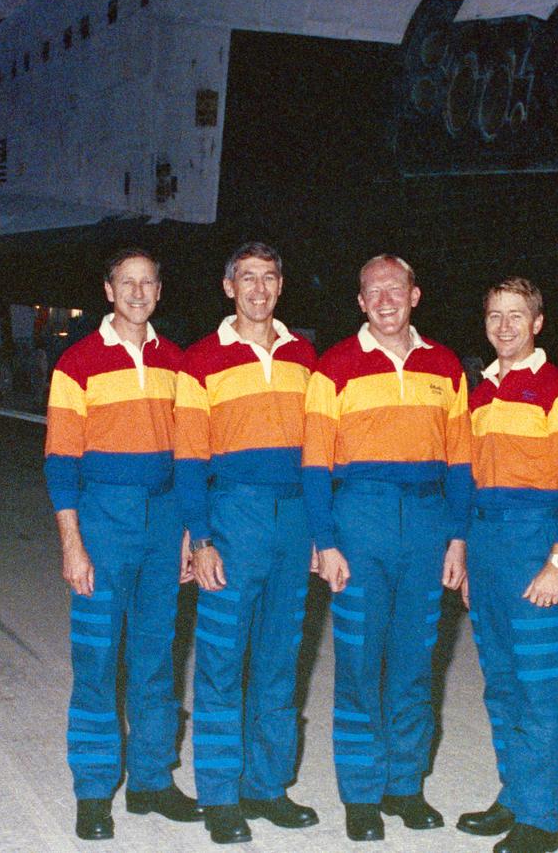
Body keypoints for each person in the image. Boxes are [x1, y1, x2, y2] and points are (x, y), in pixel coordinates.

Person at [303, 254, 472, 842]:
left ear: (415, 295)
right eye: (372, 291)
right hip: (360, 521)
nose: (385, 300)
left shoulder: (447, 366)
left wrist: (458, 537)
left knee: (415, 660)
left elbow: (462, 462)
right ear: (360, 302)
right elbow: (313, 466)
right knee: (358, 661)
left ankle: (406, 785)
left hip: (427, 524)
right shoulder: (333, 369)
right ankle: (360, 794)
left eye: (394, 289)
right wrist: (324, 541)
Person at [43, 248, 203, 841]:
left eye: (147, 283)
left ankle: (152, 782)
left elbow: (190, 456)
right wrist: (72, 544)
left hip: (164, 522)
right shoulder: (76, 363)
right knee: (96, 661)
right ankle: (92, 790)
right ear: (108, 290)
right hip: (103, 519)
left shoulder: (178, 363)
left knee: (157, 657)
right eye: (125, 283)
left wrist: (189, 530)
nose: (137, 293)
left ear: (159, 291)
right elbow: (60, 462)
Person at [174, 242, 321, 843]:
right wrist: (202, 537)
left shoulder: (305, 356)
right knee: (220, 660)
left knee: (280, 659)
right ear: (228, 286)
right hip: (233, 516)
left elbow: (319, 454)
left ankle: (267, 787)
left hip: (294, 522)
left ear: (280, 286)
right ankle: (219, 794)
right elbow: (187, 459)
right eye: (246, 279)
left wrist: (320, 530)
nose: (258, 289)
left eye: (268, 278)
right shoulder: (199, 361)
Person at [457, 278, 558, 853]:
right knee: (501, 683)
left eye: (517, 316)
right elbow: (468, 479)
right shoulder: (480, 393)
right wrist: (464, 552)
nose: (505, 326)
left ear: (538, 323)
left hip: (536, 542)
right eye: (495, 315)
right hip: (487, 545)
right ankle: (514, 794)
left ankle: (540, 818)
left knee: (539, 686)